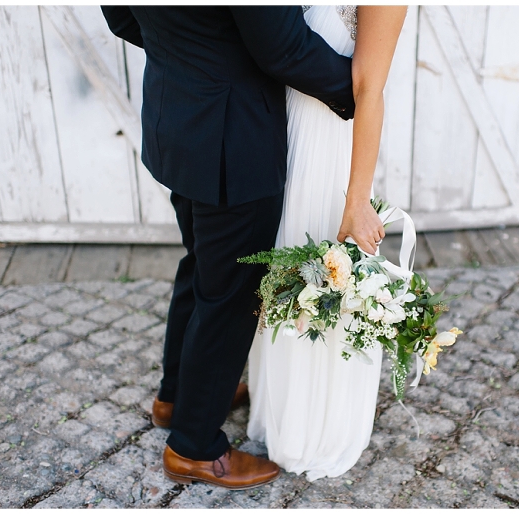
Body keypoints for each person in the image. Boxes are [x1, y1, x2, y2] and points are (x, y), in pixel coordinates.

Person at [101, 6, 358, 490]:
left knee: (202, 265)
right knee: (232, 296)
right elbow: (282, 48)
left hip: (177, 116)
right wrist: (362, 89)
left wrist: (193, 58)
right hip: (233, 137)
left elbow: (121, 17)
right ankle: (194, 447)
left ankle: (176, 398)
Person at [247, 5, 407, 481]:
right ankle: (277, 408)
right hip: (284, 135)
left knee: (322, 281)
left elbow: (369, 89)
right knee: (279, 277)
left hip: (330, 152)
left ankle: (315, 429)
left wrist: (356, 198)